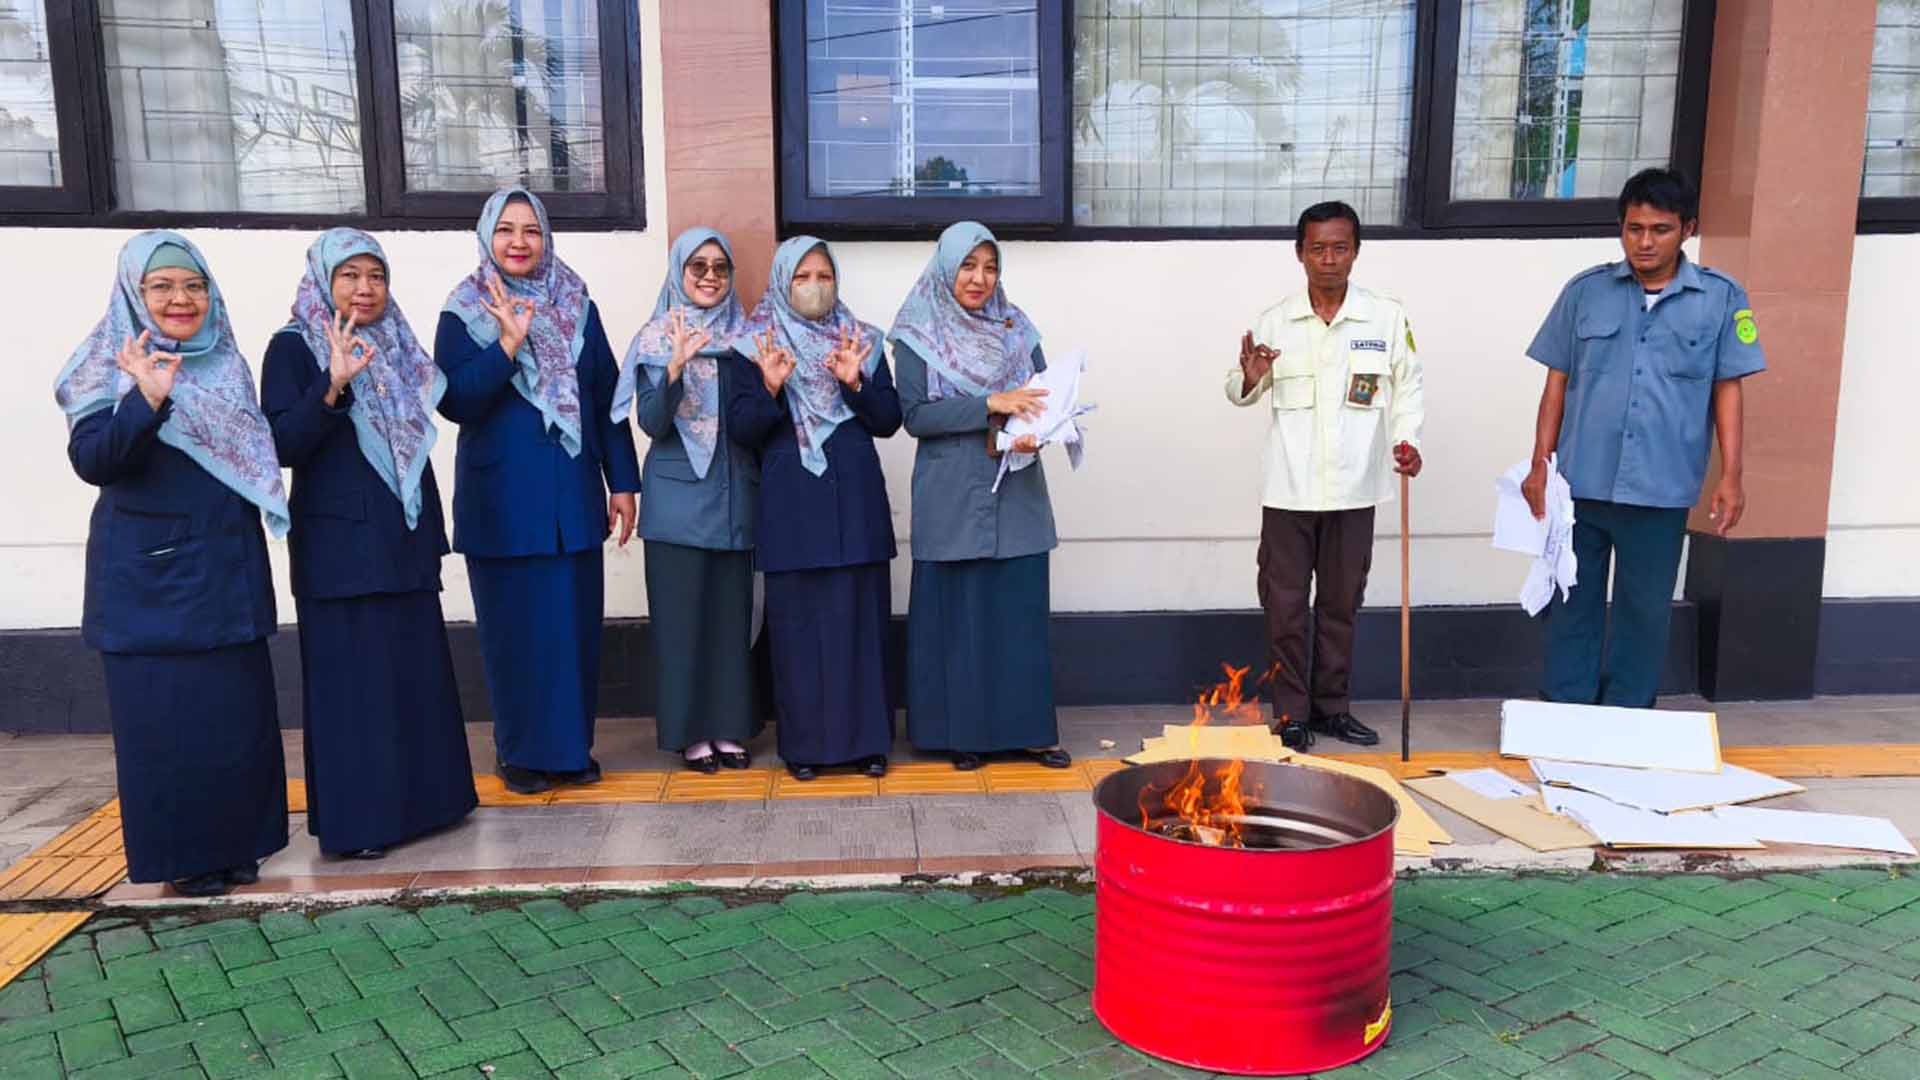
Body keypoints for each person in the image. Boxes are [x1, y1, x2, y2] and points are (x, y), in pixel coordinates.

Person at [54, 231, 289, 897]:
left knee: (235, 718)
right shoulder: (107, 364)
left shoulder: (224, 362)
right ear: (134, 293)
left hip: (228, 568)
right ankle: (188, 856)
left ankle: (239, 844)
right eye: (161, 286)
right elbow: (95, 461)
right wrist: (147, 399)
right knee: (168, 724)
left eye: (194, 285)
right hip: (152, 583)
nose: (180, 299)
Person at [261, 228, 477, 858]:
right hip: (341, 550)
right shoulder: (293, 345)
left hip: (403, 536)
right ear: (323, 281)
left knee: (414, 676)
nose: (365, 287)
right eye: (349, 275)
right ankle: (362, 824)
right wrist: (331, 386)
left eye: (376, 275)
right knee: (353, 692)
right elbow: (282, 444)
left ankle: (431, 805)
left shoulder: (399, 343)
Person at [1522, 168, 1764, 707]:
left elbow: (1727, 389)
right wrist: (1540, 465)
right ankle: (1566, 711)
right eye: (1634, 229)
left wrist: (1731, 476)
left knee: (1644, 610)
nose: (1645, 242)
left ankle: (1626, 717)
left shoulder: (1720, 298)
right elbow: (1556, 384)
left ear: (1687, 230)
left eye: (1660, 229)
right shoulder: (1586, 292)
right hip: (1581, 483)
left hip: (1662, 488)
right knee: (1571, 601)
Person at [435, 188, 640, 794]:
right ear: (486, 236)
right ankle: (521, 752)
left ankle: (571, 750)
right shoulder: (465, 309)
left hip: (571, 497)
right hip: (502, 501)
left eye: (531, 230)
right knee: (513, 633)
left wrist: (623, 482)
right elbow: (455, 400)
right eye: (506, 229)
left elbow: (605, 399)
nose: (519, 242)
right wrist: (507, 345)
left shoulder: (576, 303)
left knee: (572, 631)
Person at [1227, 201, 1424, 749]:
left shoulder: (1385, 317)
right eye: (1318, 248)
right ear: (1300, 254)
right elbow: (1237, 391)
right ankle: (1291, 714)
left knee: (1341, 604)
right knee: (1285, 607)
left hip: (1355, 488)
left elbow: (1408, 387)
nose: (1329, 259)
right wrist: (1251, 378)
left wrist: (1408, 441)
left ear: (1356, 252)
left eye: (1340, 247)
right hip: (1288, 491)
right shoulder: (1275, 321)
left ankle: (1332, 708)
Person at [891, 221, 1072, 772]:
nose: (979, 278)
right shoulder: (917, 332)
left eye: (990, 267)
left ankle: (1029, 732)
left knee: (1017, 615)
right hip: (951, 492)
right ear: (946, 267)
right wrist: (990, 403)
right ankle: (961, 733)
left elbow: (1043, 397)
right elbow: (915, 416)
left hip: (1017, 487)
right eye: (968, 266)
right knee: (961, 617)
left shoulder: (1018, 329)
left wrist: (1039, 429)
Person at [724, 237, 899, 780]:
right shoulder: (753, 344)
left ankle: (869, 744)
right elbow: (742, 429)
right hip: (793, 506)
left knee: (861, 627)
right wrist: (770, 387)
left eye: (824, 276)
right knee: (798, 632)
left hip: (856, 503)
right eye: (801, 277)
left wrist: (855, 382)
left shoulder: (861, 340)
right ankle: (805, 748)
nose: (815, 287)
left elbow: (888, 419)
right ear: (782, 282)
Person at [614, 227, 762, 772]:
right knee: (682, 625)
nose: (709, 276)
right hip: (677, 505)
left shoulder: (748, 337)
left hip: (735, 499)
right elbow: (652, 422)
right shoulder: (657, 338)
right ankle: (690, 733)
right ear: (679, 272)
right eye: (697, 266)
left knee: (730, 623)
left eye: (720, 267)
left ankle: (728, 727)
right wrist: (675, 368)